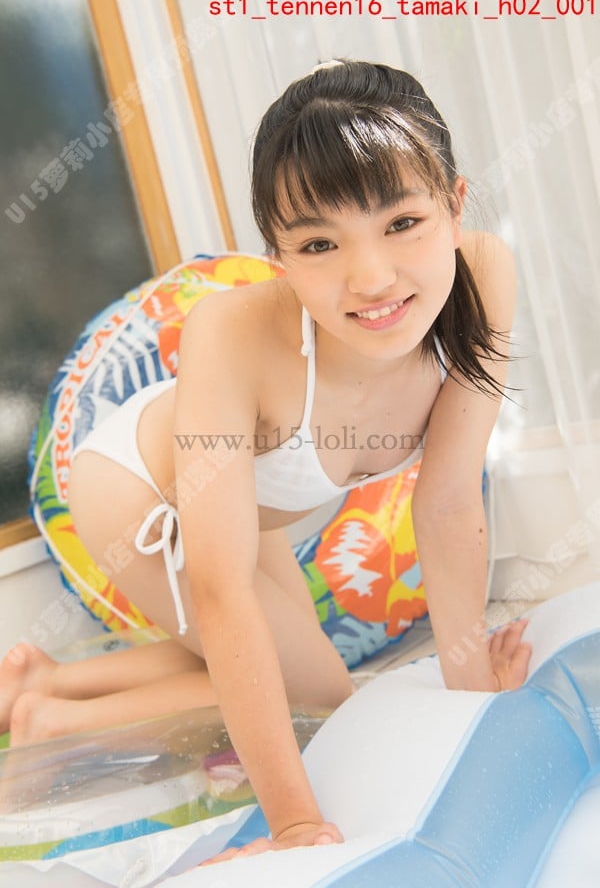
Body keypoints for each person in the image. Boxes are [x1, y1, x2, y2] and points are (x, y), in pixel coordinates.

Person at [0, 60, 531, 859]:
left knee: (323, 687)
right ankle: (52, 721)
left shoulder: (483, 274)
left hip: (250, 495)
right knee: (315, 694)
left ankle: (48, 684)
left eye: (402, 222)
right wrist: (293, 824)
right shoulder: (232, 333)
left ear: (454, 206)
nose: (371, 277)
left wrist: (470, 686)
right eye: (319, 243)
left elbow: (449, 498)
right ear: (278, 255)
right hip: (143, 489)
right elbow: (222, 592)